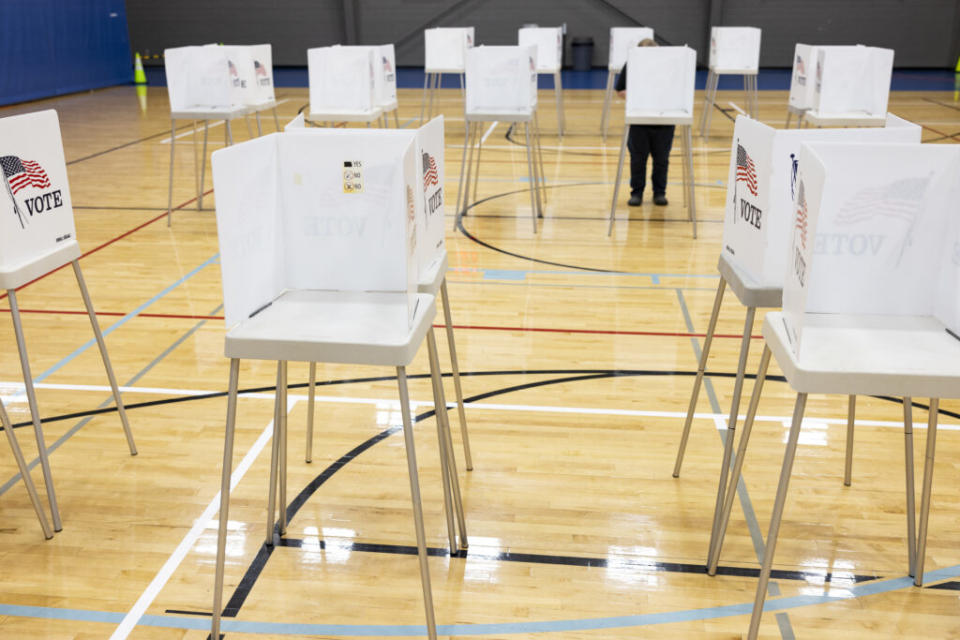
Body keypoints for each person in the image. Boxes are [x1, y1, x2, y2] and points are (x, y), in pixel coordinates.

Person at [615, 39, 673, 207]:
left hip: (664, 119)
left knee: (662, 159)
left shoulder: (666, 66)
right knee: (638, 158)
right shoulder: (631, 65)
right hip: (639, 119)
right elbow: (620, 90)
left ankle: (659, 192)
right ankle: (637, 192)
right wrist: (638, 96)